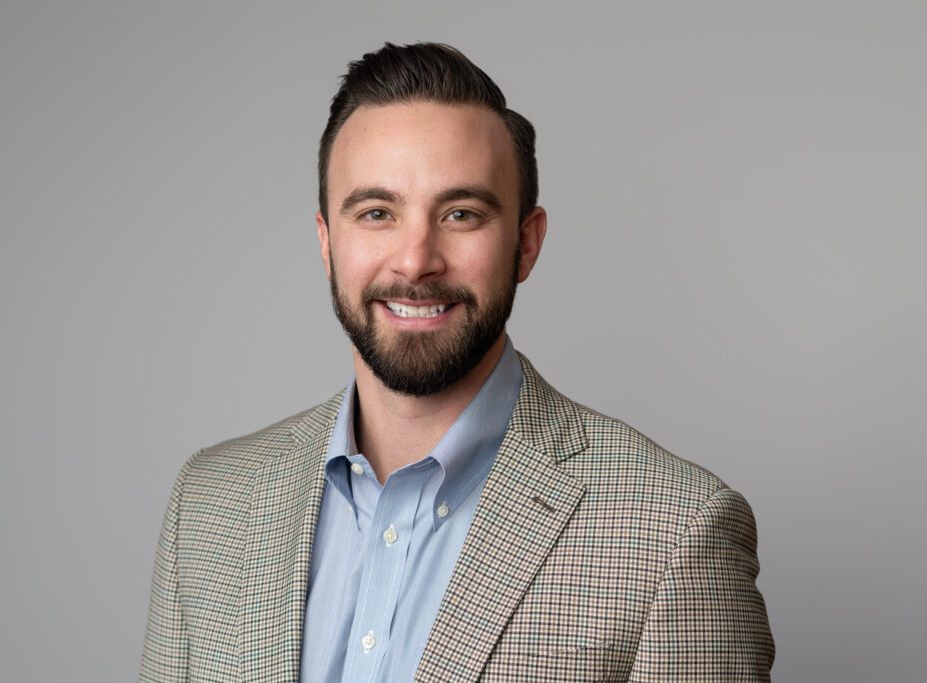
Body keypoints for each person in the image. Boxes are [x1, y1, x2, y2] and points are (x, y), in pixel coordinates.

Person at [139, 42, 774, 682]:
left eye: (461, 214)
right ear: (327, 243)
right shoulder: (208, 504)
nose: (416, 260)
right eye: (377, 213)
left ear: (526, 245)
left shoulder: (675, 532)